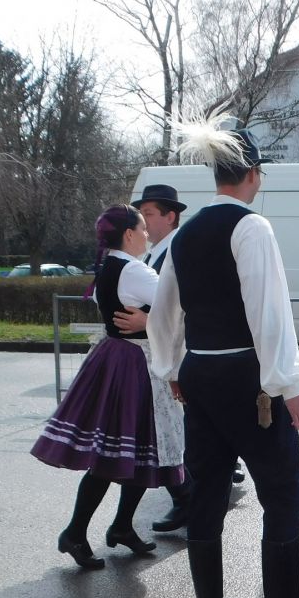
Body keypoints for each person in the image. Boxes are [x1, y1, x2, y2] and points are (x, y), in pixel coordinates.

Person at [148, 118, 299, 598]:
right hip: (246, 378)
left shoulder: (184, 234)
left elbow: (164, 313)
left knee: (207, 492)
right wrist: (290, 384)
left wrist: (173, 369)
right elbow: (268, 312)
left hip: (200, 376)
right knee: (282, 493)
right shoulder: (251, 227)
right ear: (253, 174)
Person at [31, 205, 186, 568]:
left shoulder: (108, 268)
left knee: (137, 451)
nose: (146, 235)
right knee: (120, 454)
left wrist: (149, 320)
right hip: (135, 364)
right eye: (142, 229)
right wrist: (150, 321)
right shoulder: (133, 270)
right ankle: (76, 532)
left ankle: (121, 526)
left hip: (117, 358)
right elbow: (179, 307)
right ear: (128, 235)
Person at [124, 184, 196, 534]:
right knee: (165, 430)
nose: (144, 221)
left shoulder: (179, 251)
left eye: (149, 213)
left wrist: (146, 321)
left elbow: (185, 305)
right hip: (162, 357)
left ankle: (190, 500)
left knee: (173, 429)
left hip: (179, 357)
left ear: (170, 216)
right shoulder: (155, 253)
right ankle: (186, 498)